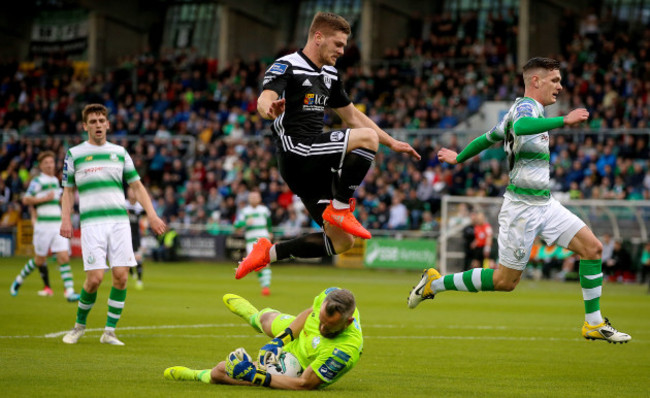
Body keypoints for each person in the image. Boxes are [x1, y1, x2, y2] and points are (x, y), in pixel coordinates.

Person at [407, 57, 631, 344]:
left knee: (592, 248)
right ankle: (435, 284)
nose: (560, 87)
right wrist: (565, 119)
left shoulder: (522, 111)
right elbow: (523, 126)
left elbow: (487, 139)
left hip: (545, 204)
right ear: (535, 81)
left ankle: (593, 323)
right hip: (522, 209)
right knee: (505, 282)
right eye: (555, 80)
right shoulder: (525, 109)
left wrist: (458, 157)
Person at [235, 11, 420, 279]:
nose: (343, 51)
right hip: (296, 151)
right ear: (318, 37)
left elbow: (353, 116)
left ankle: (267, 253)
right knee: (366, 138)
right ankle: (342, 208)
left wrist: (392, 142)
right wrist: (269, 109)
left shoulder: (330, 75)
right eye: (339, 44)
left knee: (342, 242)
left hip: (314, 166)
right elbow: (264, 98)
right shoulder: (288, 65)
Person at [59, 104, 166, 346]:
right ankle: (79, 326)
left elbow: (137, 187)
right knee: (95, 278)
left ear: (107, 124)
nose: (97, 125)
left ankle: (109, 332)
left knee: (121, 277)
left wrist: (152, 214)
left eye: (101, 120)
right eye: (93, 121)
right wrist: (65, 218)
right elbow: (67, 191)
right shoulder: (74, 154)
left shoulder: (119, 152)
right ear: (85, 126)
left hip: (119, 222)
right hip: (92, 223)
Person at [163, 287, 362, 390]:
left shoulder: (343, 352)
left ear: (348, 322)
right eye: (321, 321)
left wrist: (255, 376)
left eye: (329, 326)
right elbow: (310, 312)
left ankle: (196, 374)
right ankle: (253, 316)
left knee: (221, 371)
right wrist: (279, 341)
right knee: (267, 319)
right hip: (303, 333)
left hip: (298, 364)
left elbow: (305, 384)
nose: (322, 327)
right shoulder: (331, 295)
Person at [9, 151, 80, 301]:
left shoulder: (55, 180)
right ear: (41, 166)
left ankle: (69, 291)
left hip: (56, 224)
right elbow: (26, 199)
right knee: (39, 260)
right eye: (46, 163)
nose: (49, 165)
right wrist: (43, 199)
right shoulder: (37, 181)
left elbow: (57, 199)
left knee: (64, 257)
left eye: (51, 162)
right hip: (43, 226)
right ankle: (18, 280)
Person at [234, 190, 273, 295]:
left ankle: (266, 287)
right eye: (252, 197)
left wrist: (270, 232)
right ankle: (264, 285)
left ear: (260, 198)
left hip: (263, 239)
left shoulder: (264, 210)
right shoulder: (244, 212)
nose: (254, 199)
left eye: (256, 197)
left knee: (265, 263)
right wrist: (245, 222)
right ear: (248, 199)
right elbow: (236, 225)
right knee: (256, 264)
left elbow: (269, 223)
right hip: (251, 242)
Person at [125, 187, 145, 290]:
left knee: (138, 258)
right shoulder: (124, 204)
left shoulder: (139, 207)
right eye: (130, 190)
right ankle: (131, 272)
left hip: (136, 236)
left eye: (133, 190)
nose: (131, 192)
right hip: (124, 236)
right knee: (126, 259)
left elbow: (144, 221)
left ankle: (139, 280)